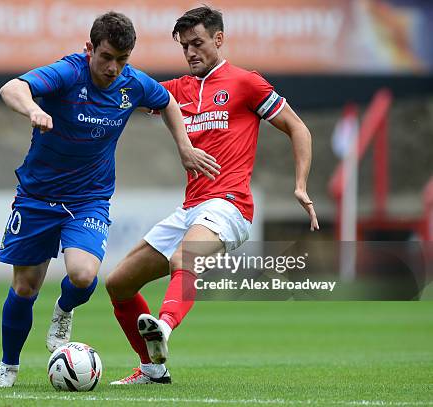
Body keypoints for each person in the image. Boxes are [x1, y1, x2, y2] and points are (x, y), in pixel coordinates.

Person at [0, 11, 220, 388]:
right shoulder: (67, 73)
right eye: (107, 57)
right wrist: (33, 108)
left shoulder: (132, 83)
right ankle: (8, 366)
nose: (113, 68)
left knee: (83, 276)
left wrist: (184, 147)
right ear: (89, 49)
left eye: (122, 60)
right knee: (25, 288)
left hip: (88, 199)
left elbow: (167, 102)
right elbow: (11, 88)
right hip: (37, 196)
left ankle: (64, 310)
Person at [106, 6, 319, 385]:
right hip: (190, 208)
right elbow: (127, 88)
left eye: (198, 43)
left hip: (230, 205)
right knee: (119, 282)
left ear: (218, 39)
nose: (191, 52)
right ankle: (153, 369)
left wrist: (300, 184)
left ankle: (164, 328)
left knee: (183, 258)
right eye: (185, 46)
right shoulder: (177, 90)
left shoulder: (246, 83)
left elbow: (298, 128)